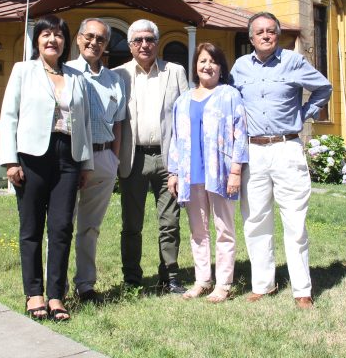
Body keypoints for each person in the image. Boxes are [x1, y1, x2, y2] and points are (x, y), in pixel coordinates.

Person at [230, 11, 332, 308]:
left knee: (295, 221)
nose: (265, 35)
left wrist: (304, 114)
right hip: (253, 151)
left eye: (270, 30)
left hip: (286, 147)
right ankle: (263, 284)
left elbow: (323, 88)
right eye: (259, 31)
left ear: (277, 35)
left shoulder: (293, 61)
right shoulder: (239, 68)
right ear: (251, 38)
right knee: (256, 220)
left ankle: (302, 289)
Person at [0, 14, 94, 322]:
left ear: (65, 42)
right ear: (37, 40)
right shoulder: (23, 71)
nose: (52, 39)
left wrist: (86, 163)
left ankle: (56, 296)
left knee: (62, 227)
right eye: (46, 34)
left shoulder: (76, 77)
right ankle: (34, 293)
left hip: (68, 157)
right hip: (32, 155)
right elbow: (9, 115)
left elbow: (85, 123)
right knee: (31, 228)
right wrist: (10, 160)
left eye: (58, 35)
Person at [167, 43, 248, 302]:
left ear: (221, 68)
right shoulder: (183, 100)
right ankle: (202, 279)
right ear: (195, 66)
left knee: (224, 229)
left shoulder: (229, 95)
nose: (207, 66)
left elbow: (240, 133)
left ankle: (223, 283)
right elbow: (176, 138)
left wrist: (236, 170)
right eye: (202, 61)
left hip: (221, 172)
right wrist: (174, 172)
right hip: (192, 175)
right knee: (198, 230)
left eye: (213, 61)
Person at [113, 19, 189, 294]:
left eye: (150, 39)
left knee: (170, 222)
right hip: (132, 158)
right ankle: (131, 278)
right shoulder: (118, 75)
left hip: (168, 160)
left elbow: (185, 118)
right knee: (131, 224)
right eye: (138, 40)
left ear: (157, 42)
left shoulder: (175, 72)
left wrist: (181, 165)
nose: (144, 45)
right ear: (130, 45)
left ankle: (170, 276)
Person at [67, 18, 126, 304]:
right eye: (89, 37)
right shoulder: (64, 73)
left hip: (103, 158)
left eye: (101, 39)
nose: (94, 42)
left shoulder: (114, 80)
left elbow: (118, 122)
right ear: (78, 39)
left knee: (90, 227)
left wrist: (113, 157)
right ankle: (57, 286)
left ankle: (85, 285)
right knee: (63, 223)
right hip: (70, 157)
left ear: (106, 45)